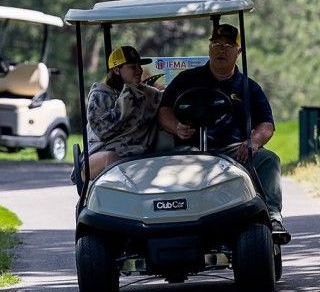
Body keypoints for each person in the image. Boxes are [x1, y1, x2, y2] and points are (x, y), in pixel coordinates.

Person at [158, 22, 289, 240]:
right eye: (216, 44)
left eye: (228, 45)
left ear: (239, 51)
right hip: (189, 148)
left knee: (269, 160)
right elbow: (164, 111)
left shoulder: (248, 87)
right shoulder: (187, 79)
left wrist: (253, 142)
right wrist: (176, 127)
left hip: (233, 151)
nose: (221, 50)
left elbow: (266, 125)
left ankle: (273, 217)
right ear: (209, 48)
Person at [85, 45, 162, 178]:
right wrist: (127, 97)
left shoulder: (146, 93)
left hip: (137, 158)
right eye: (133, 67)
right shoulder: (100, 95)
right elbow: (102, 131)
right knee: (113, 160)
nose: (140, 70)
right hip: (99, 157)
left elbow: (166, 101)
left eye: (140, 65)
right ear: (116, 70)